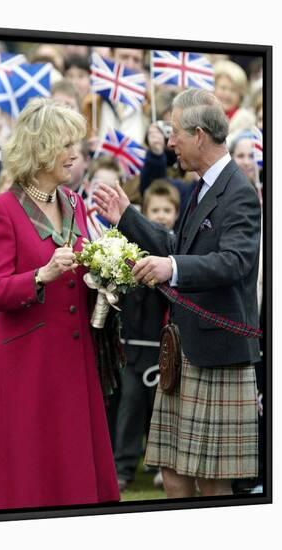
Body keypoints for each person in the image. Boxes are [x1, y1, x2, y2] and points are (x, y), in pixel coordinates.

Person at [93, 88, 261, 498]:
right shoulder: (201, 186)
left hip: (218, 353)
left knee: (214, 483)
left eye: (175, 133)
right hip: (186, 349)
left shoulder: (238, 192)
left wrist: (175, 268)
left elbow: (235, 262)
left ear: (199, 134)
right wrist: (128, 219)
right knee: (172, 471)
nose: (169, 142)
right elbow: (177, 249)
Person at [0, 98, 120, 511]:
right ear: (39, 149)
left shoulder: (72, 201)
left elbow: (82, 266)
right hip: (25, 362)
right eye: (65, 144)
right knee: (27, 471)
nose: (75, 153)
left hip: (73, 357)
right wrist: (40, 275)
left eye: (76, 143)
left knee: (72, 466)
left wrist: (108, 272)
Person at [115, 181, 179, 492]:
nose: (161, 216)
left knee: (160, 410)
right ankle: (124, 467)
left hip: (162, 349)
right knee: (129, 407)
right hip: (132, 348)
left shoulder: (176, 254)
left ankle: (159, 465)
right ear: (144, 213)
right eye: (155, 210)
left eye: (167, 211)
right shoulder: (130, 247)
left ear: (176, 214)